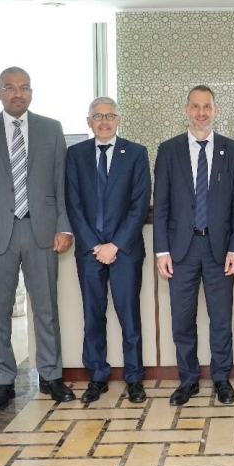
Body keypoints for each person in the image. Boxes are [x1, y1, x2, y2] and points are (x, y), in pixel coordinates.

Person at [0, 67, 76, 413]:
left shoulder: (51, 129)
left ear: (31, 92)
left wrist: (64, 226)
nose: (17, 94)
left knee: (46, 308)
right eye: (10, 88)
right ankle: (3, 381)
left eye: (23, 88)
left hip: (40, 230)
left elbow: (61, 183)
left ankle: (52, 376)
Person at [154, 86, 234, 406]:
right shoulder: (169, 150)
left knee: (221, 318)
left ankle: (221, 377)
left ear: (215, 110)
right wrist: (161, 251)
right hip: (181, 250)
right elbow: (162, 204)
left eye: (207, 106)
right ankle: (188, 379)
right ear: (186, 109)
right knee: (182, 318)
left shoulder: (232, 150)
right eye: (195, 106)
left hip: (220, 251)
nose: (201, 112)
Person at [65, 97, 150, 404]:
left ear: (119, 119)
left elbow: (140, 204)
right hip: (89, 252)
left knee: (129, 316)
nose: (103, 122)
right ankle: (97, 376)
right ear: (88, 121)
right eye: (97, 116)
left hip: (125, 250)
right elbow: (72, 204)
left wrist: (114, 245)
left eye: (109, 116)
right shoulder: (75, 155)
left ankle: (135, 378)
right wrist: (94, 245)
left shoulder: (136, 154)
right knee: (93, 315)